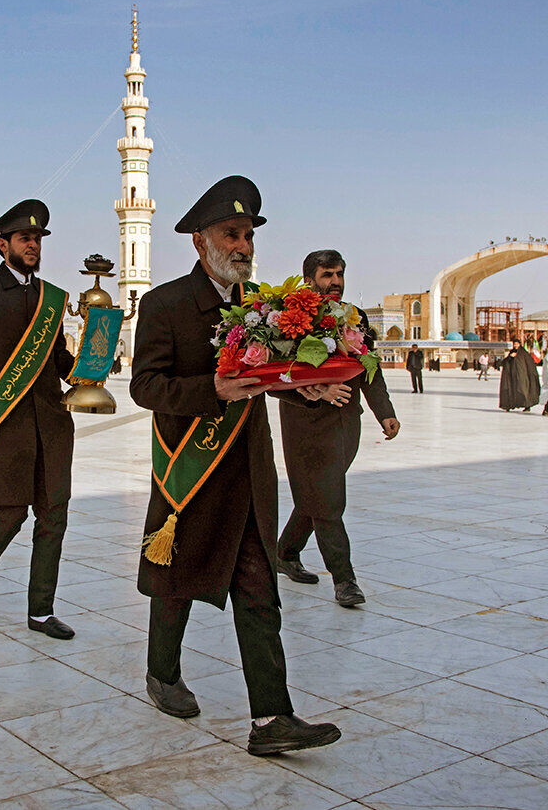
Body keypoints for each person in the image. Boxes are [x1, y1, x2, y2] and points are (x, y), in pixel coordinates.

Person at [130, 176, 344, 756]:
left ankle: (271, 719)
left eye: (249, 234)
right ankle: (162, 673)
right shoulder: (165, 304)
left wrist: (309, 391)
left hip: (247, 469)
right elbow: (145, 387)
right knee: (175, 582)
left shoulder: (260, 308)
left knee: (257, 588)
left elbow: (268, 378)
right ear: (201, 240)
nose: (244, 245)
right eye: (233, 233)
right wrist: (213, 389)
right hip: (189, 471)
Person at [0, 199, 78, 640]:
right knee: (8, 513)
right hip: (4, 423)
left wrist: (88, 367)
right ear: (2, 244)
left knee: (53, 517)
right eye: (24, 238)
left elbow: (59, 356)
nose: (33, 245)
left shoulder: (52, 298)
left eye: (38, 239)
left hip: (53, 422)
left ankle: (41, 611)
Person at [277, 250, 400, 607]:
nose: (335, 282)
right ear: (309, 279)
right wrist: (319, 391)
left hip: (347, 423)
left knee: (316, 495)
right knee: (328, 500)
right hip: (305, 425)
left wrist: (385, 412)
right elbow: (281, 377)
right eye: (327, 274)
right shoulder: (290, 316)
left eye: (339, 274)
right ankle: (345, 581)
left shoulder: (355, 318)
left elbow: (368, 368)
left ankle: (284, 553)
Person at [499, 340, 539, 411]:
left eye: (517, 344)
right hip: (512, 376)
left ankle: (527, 405)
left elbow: (529, 364)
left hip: (522, 376)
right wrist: (510, 357)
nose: (515, 345)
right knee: (513, 391)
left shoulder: (524, 353)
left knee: (523, 390)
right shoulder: (512, 352)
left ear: (520, 344)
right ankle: (509, 405)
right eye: (514, 344)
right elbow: (505, 363)